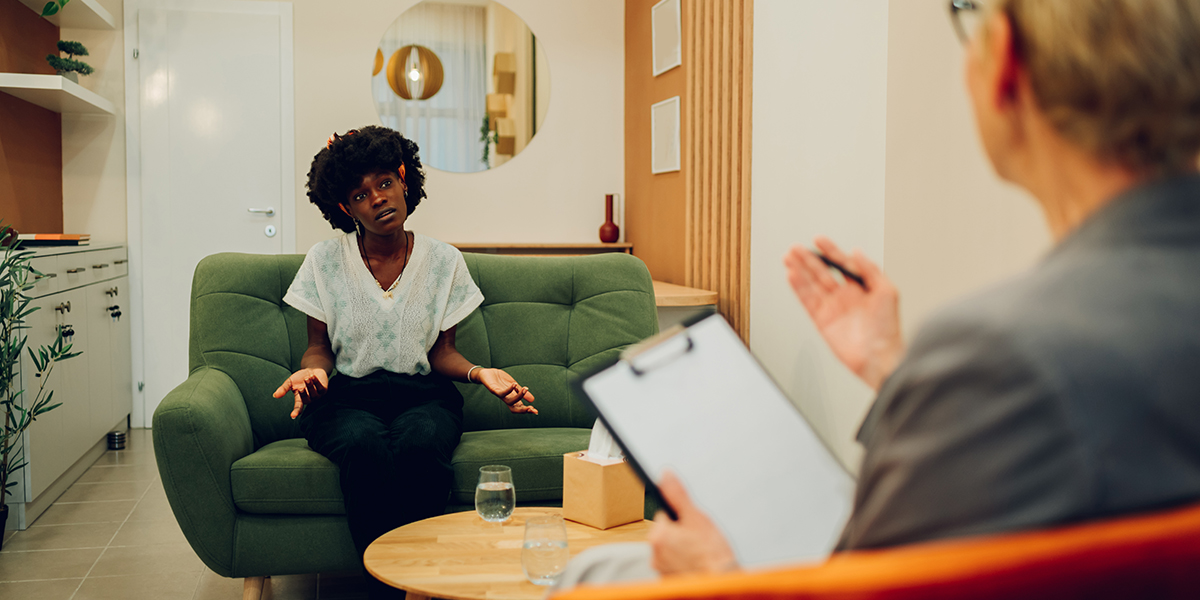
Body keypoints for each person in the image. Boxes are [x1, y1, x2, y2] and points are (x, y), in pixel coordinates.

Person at [553, 0, 1200, 588]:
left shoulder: (1005, 351)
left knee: (592, 575)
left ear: (1003, 62)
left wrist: (719, 575)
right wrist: (895, 369)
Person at [274, 126, 537, 597]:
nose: (377, 199)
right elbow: (319, 347)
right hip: (346, 399)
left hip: (422, 396)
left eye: (384, 183)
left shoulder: (444, 261)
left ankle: (422, 584)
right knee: (363, 444)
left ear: (403, 179)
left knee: (419, 443)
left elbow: (442, 353)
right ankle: (385, 587)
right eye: (360, 194)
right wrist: (313, 370)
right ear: (345, 208)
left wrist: (481, 374)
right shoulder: (324, 261)